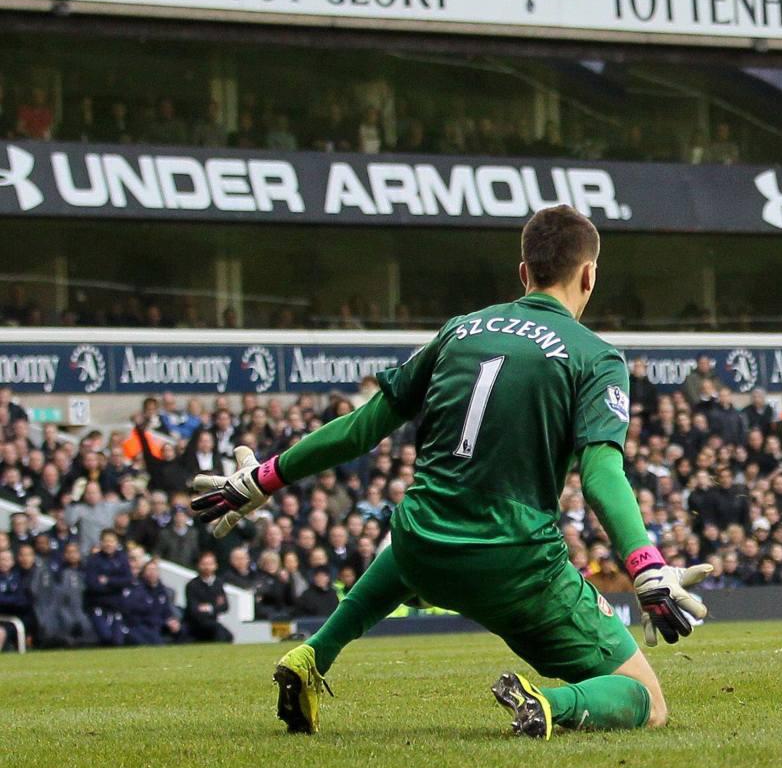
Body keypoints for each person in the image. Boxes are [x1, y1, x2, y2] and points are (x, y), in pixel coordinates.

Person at [191, 206, 710, 738]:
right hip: (514, 564)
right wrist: (646, 567)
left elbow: (362, 427)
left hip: (423, 545)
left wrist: (263, 478)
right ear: (589, 275)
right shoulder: (596, 357)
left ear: (524, 272)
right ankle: (548, 704)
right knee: (647, 700)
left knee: (419, 530)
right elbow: (601, 475)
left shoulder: (460, 330)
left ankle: (312, 654)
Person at [183, 551, 233, 643]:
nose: (207, 567)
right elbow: (194, 608)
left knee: (228, 636)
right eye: (204, 564)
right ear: (199, 565)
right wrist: (214, 607)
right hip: (196, 623)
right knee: (219, 632)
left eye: (210, 564)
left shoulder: (218, 584)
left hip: (212, 621)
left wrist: (209, 607)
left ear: (215, 565)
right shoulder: (192, 585)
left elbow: (224, 606)